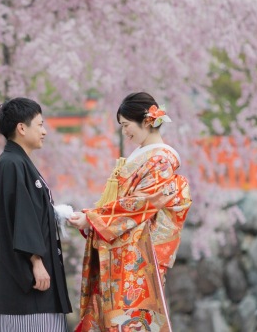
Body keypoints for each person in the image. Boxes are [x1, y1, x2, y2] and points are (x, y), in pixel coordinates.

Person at [68, 92, 192, 332]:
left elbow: (140, 203)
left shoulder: (161, 159)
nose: (125, 132)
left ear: (146, 122)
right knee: (114, 315)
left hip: (138, 252)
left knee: (132, 317)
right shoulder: (146, 154)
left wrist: (92, 219)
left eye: (126, 125)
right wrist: (92, 216)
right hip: (125, 246)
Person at [0, 97, 72, 331]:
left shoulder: (19, 162)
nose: (44, 132)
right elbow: (20, 216)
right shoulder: (12, 163)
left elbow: (31, 211)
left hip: (33, 286)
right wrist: (36, 262)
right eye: (40, 125)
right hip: (25, 286)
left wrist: (60, 216)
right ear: (22, 128)